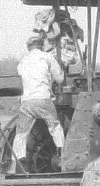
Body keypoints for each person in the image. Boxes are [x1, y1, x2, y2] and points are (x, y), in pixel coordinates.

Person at [11, 36, 67, 168]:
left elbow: (20, 79)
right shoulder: (47, 57)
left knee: (21, 132)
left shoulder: (23, 61)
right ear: (42, 46)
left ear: (28, 47)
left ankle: (19, 159)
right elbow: (59, 79)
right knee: (55, 126)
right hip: (43, 99)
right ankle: (62, 152)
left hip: (26, 102)